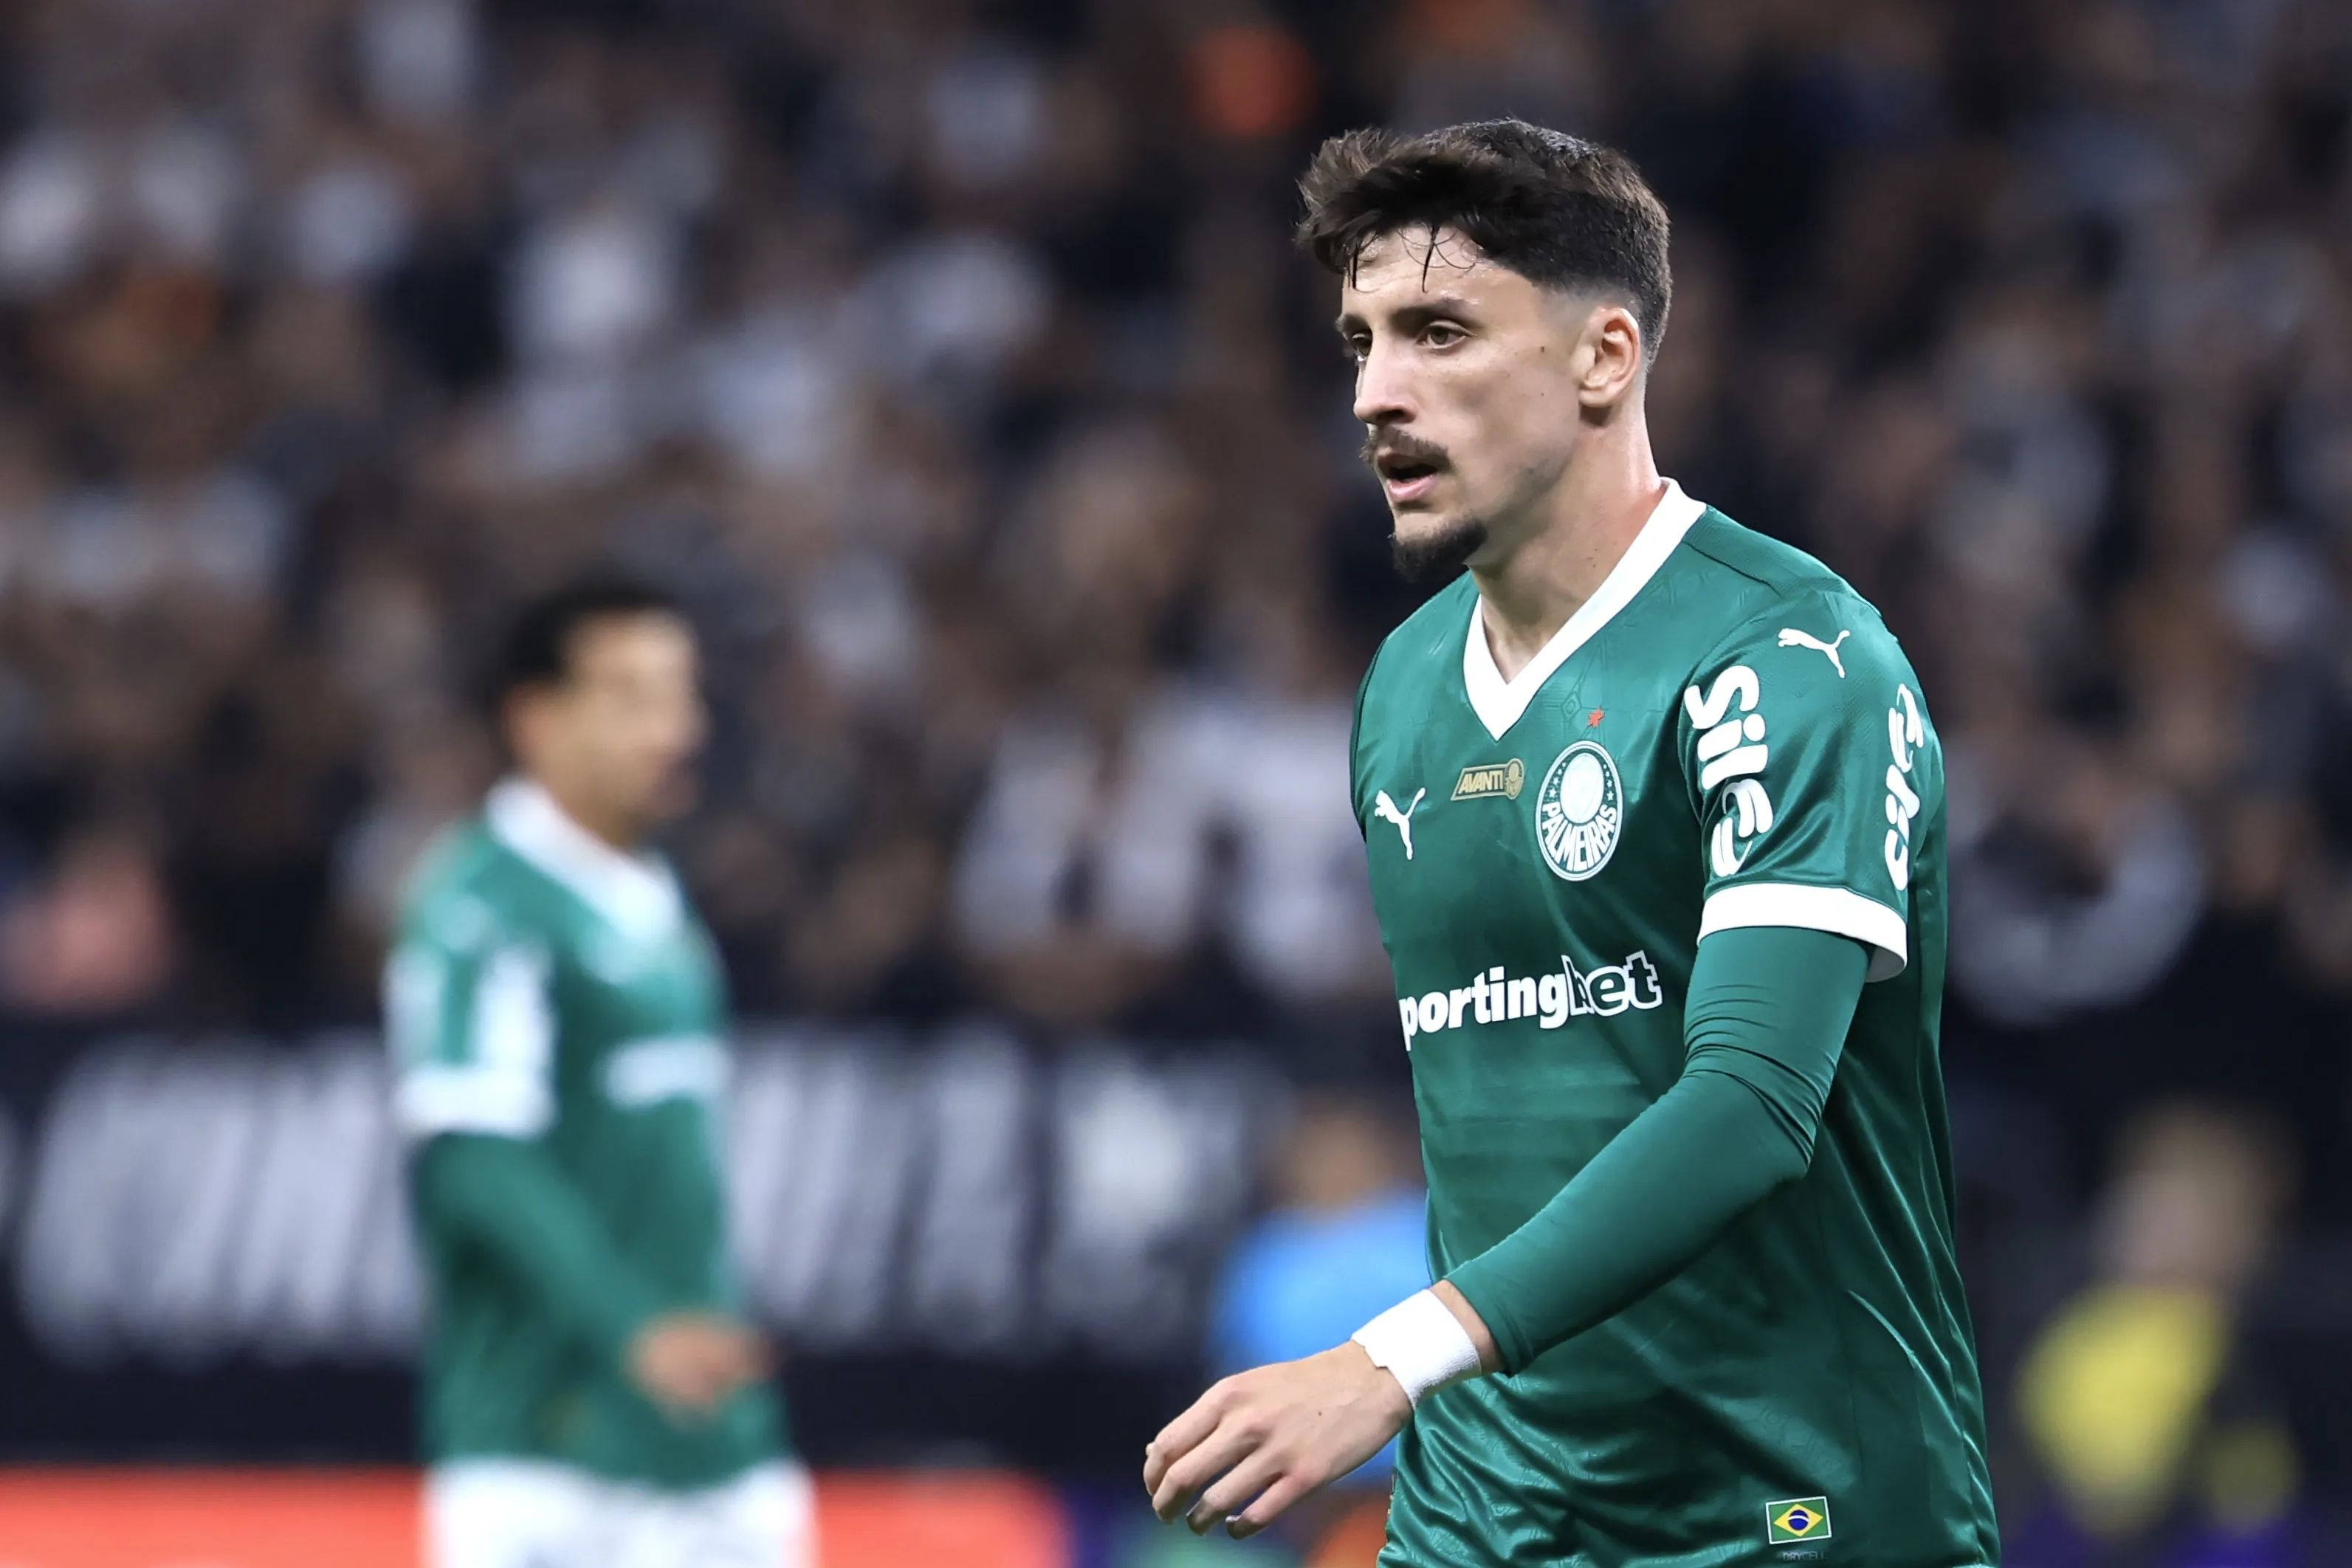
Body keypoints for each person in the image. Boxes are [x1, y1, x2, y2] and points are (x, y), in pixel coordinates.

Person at [1144, 120, 1998, 1568]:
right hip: (1487, 1515)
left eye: (1438, 333)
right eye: (1359, 341)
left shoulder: (1789, 659)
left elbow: (1749, 1105)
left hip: (1788, 1513)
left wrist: (1383, 1364)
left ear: (1605, 358)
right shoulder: (1406, 689)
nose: (1376, 393)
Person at [385, 577, 808, 1568]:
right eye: (631, 698)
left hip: (710, 1443)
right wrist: (635, 1328)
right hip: (549, 1452)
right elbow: (472, 1159)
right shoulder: (481, 908)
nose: (675, 728)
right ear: (534, 716)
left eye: (681, 696)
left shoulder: (650, 894)